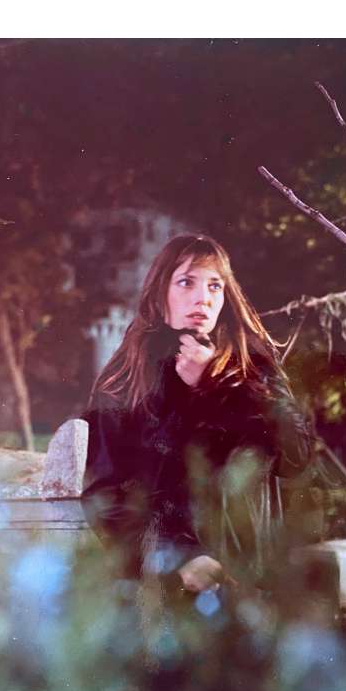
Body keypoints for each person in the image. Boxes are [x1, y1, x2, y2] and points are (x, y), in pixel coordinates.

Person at [80, 234, 318, 598]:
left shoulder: (253, 369)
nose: (202, 298)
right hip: (161, 588)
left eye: (214, 286)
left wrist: (221, 388)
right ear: (160, 294)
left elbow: (297, 456)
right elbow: (104, 494)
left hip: (249, 580)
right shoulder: (124, 380)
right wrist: (176, 560)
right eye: (186, 282)